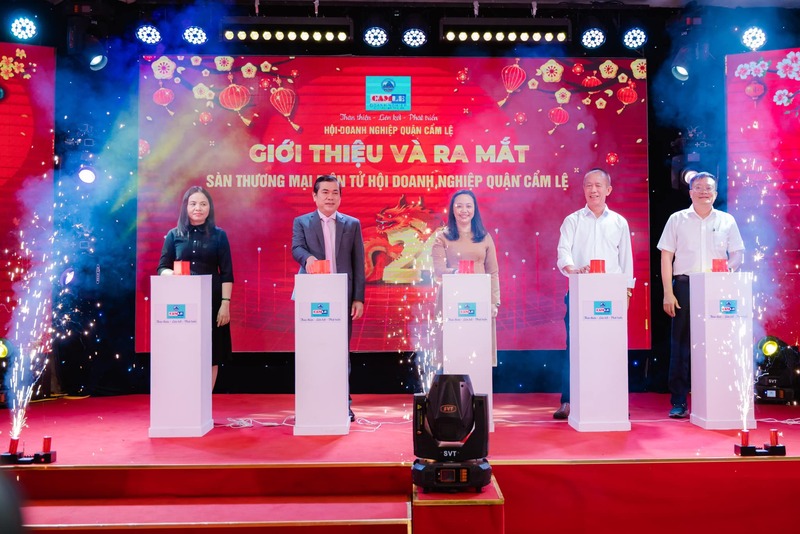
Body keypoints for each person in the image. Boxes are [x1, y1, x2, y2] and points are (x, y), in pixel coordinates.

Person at [657, 171, 744, 419]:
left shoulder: (727, 220)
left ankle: (718, 397)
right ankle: (678, 401)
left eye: (708, 188)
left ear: (715, 194)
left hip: (717, 287)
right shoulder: (677, 219)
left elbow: (738, 254)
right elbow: (666, 256)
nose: (704, 192)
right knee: (680, 345)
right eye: (699, 187)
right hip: (685, 286)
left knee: (719, 343)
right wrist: (668, 292)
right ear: (690, 192)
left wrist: (727, 270)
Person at [555, 168, 635, 420]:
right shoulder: (572, 221)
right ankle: (568, 400)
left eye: (598, 185)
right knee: (574, 347)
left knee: (610, 348)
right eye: (589, 185)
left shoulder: (619, 222)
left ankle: (613, 399)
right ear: (583, 189)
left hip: (611, 296)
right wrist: (573, 270)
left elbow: (626, 260)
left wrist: (627, 292)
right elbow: (563, 252)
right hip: (580, 293)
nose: (593, 190)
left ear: (608, 190)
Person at [292, 174, 366, 421]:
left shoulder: (351, 224)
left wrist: (358, 298)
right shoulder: (302, 222)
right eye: (325, 192)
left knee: (340, 351)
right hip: (313, 297)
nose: (330, 197)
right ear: (314, 196)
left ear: (340, 197)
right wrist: (308, 258)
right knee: (313, 350)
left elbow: (358, 263)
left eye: (335, 192)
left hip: (342, 297)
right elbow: (296, 248)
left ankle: (342, 402)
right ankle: (312, 401)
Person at [158, 186, 234, 391]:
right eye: (193, 204)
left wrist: (225, 304)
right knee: (185, 349)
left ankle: (205, 399)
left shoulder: (219, 235)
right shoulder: (174, 235)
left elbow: (227, 273)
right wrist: (174, 275)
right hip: (182, 303)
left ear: (209, 208)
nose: (198, 208)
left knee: (212, 352)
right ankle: (185, 395)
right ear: (185, 207)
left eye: (203, 204)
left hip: (212, 302)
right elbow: (162, 268)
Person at [431, 189, 501, 367]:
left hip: (480, 300)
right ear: (452, 210)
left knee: (478, 353)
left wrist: (494, 302)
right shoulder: (442, 237)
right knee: (452, 353)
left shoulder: (484, 237)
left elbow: (493, 272)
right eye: (459, 206)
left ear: (474, 209)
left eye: (468, 206)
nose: (464, 210)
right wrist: (457, 274)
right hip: (451, 300)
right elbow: (438, 271)